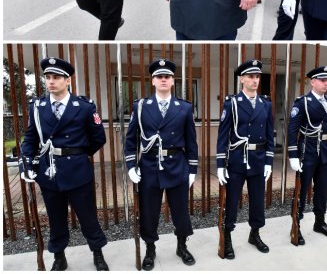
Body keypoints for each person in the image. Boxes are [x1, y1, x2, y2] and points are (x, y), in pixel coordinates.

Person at [19, 57, 109, 271]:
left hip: (78, 172)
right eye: (48, 77)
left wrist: (77, 154)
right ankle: (59, 256)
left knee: (88, 218)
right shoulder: (37, 107)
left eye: (56, 77)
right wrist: (26, 166)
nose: (51, 81)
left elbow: (98, 138)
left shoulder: (85, 107)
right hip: (49, 173)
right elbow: (30, 138)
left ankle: (97, 253)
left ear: (67, 80)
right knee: (55, 218)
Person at [124, 59, 198, 269]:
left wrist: (192, 169)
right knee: (149, 213)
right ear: (153, 81)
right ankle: (150, 249)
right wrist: (131, 166)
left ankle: (182, 246)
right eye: (159, 76)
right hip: (149, 167)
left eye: (167, 76)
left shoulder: (184, 108)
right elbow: (131, 140)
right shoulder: (141, 106)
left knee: (180, 211)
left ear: (172, 81)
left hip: (177, 165)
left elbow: (192, 142)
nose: (163, 79)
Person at [216, 60, 275, 259]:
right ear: (242, 79)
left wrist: (268, 161)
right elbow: (223, 135)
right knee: (232, 201)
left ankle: (255, 234)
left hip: (258, 159)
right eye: (250, 76)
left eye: (257, 76)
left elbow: (269, 135)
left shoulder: (265, 104)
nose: (255, 80)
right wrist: (219, 164)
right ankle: (228, 236)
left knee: (258, 201)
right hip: (237, 159)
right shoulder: (232, 103)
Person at [287, 66, 327, 244]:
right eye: (322, 80)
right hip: (307, 151)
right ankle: (296, 225)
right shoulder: (302, 102)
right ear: (313, 82)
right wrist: (293, 155)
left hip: (324, 152)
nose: (326, 83)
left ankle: (320, 222)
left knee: (322, 190)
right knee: (302, 190)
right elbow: (292, 129)